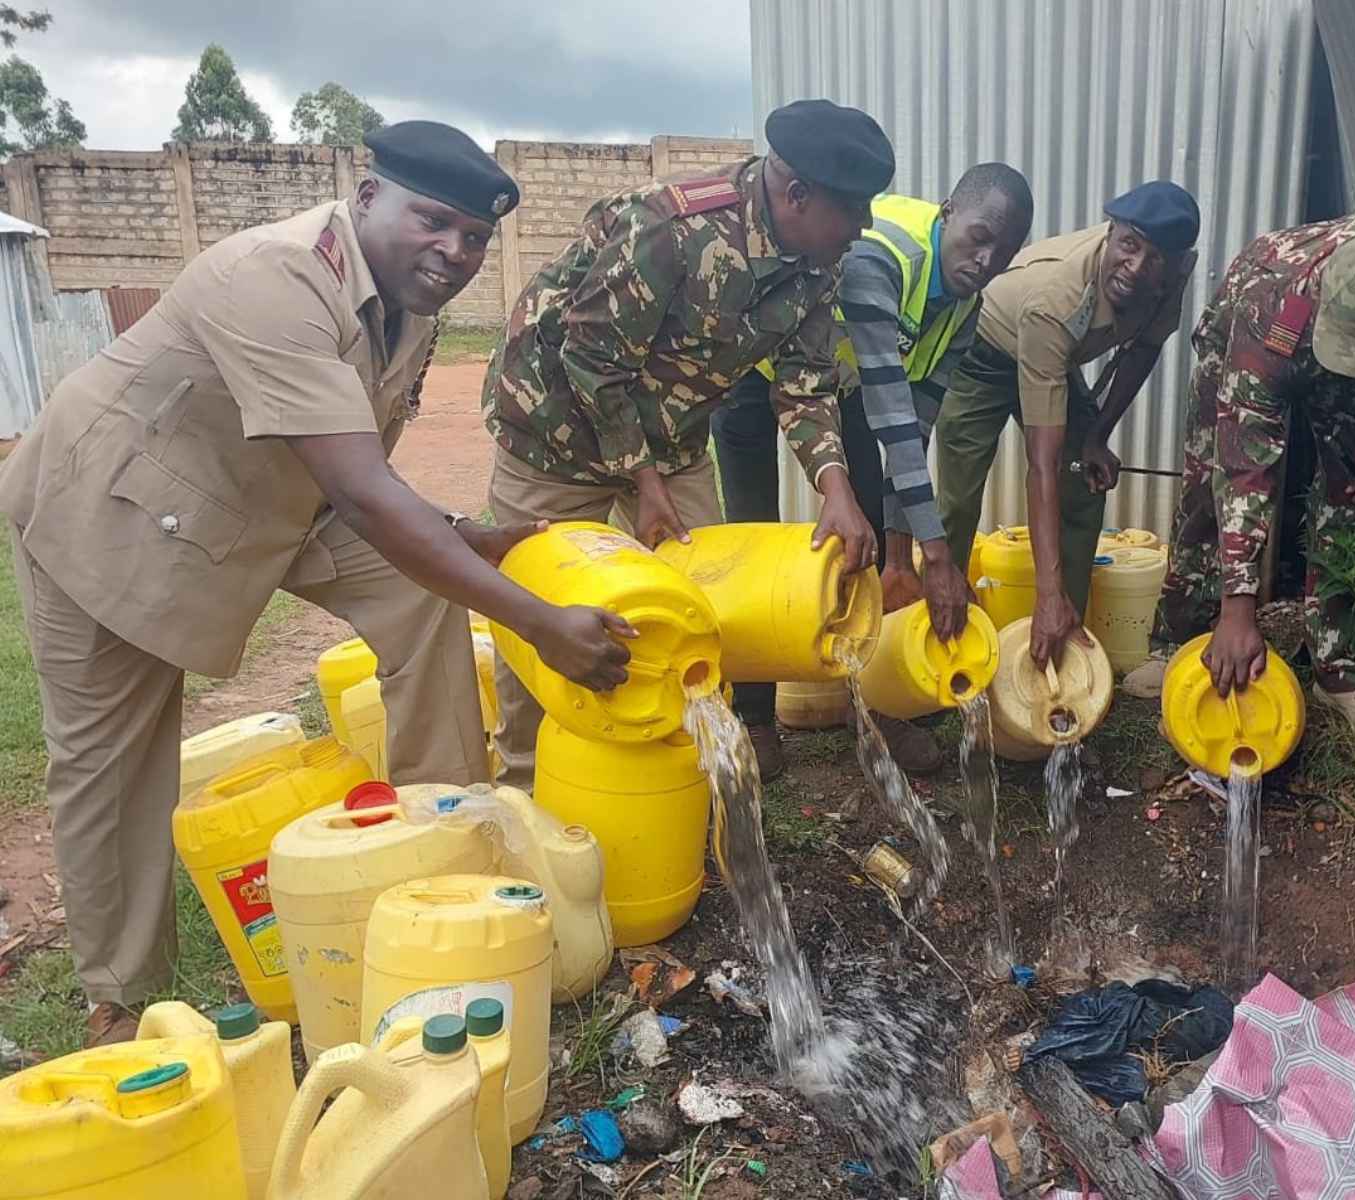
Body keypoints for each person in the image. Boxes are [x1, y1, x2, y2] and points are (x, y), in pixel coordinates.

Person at [0, 122, 636, 1047]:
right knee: (116, 756)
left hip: (286, 499)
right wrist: (540, 622)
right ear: (369, 196)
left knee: (424, 595)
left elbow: (364, 470)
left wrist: (470, 539)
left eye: (473, 238)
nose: (454, 251)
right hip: (116, 508)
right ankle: (124, 997)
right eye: (435, 220)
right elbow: (364, 490)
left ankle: (446, 861)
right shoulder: (273, 277)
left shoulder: (406, 309)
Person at [482, 98, 891, 789]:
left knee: (703, 609)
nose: (865, 225)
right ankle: (526, 787)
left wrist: (837, 490)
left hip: (670, 437)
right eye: (853, 207)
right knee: (541, 617)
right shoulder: (672, 226)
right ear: (797, 195)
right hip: (553, 429)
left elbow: (807, 384)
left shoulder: (818, 262)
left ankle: (681, 786)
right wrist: (642, 486)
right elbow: (591, 358)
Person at [712, 163, 1035, 777]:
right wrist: (936, 557)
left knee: (864, 549)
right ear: (948, 212)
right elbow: (889, 404)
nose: (987, 260)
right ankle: (753, 715)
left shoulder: (965, 308)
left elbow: (914, 424)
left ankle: (878, 707)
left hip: (845, 384)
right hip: (757, 374)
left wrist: (900, 554)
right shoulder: (882, 256)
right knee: (750, 535)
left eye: (1005, 251)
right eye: (979, 237)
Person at [1147, 211, 1355, 748]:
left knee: (1349, 488)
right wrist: (1241, 606)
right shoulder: (1268, 307)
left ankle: (1337, 669)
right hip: (1259, 323)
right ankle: (1183, 637)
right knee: (1211, 482)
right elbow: (1244, 468)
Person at [934, 182, 1199, 670]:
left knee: (1083, 481)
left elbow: (1145, 347)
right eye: (1129, 245)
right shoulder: (1057, 298)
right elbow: (1042, 468)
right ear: (1111, 232)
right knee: (959, 495)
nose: (1137, 268)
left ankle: (1063, 632)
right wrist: (1043, 590)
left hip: (1054, 358)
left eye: (1155, 257)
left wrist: (1098, 435)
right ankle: (938, 642)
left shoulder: (1175, 269)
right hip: (988, 349)